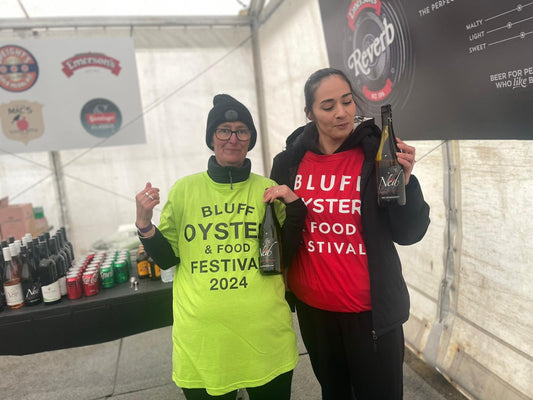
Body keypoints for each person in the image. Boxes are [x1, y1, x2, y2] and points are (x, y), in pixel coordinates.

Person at [270, 68, 430, 400]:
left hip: (370, 315)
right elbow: (280, 235)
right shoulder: (288, 163)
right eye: (328, 106)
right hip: (316, 314)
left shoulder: (376, 155)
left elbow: (409, 232)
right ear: (309, 112)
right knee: (335, 394)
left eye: (346, 101)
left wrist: (407, 183)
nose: (341, 113)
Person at [134, 94, 307, 400]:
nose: (233, 138)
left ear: (250, 139)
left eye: (242, 131)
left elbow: (285, 255)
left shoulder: (267, 190)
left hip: (265, 338)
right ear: (211, 138)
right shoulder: (185, 189)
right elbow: (167, 258)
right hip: (203, 343)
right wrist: (145, 224)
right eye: (224, 130)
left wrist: (295, 210)